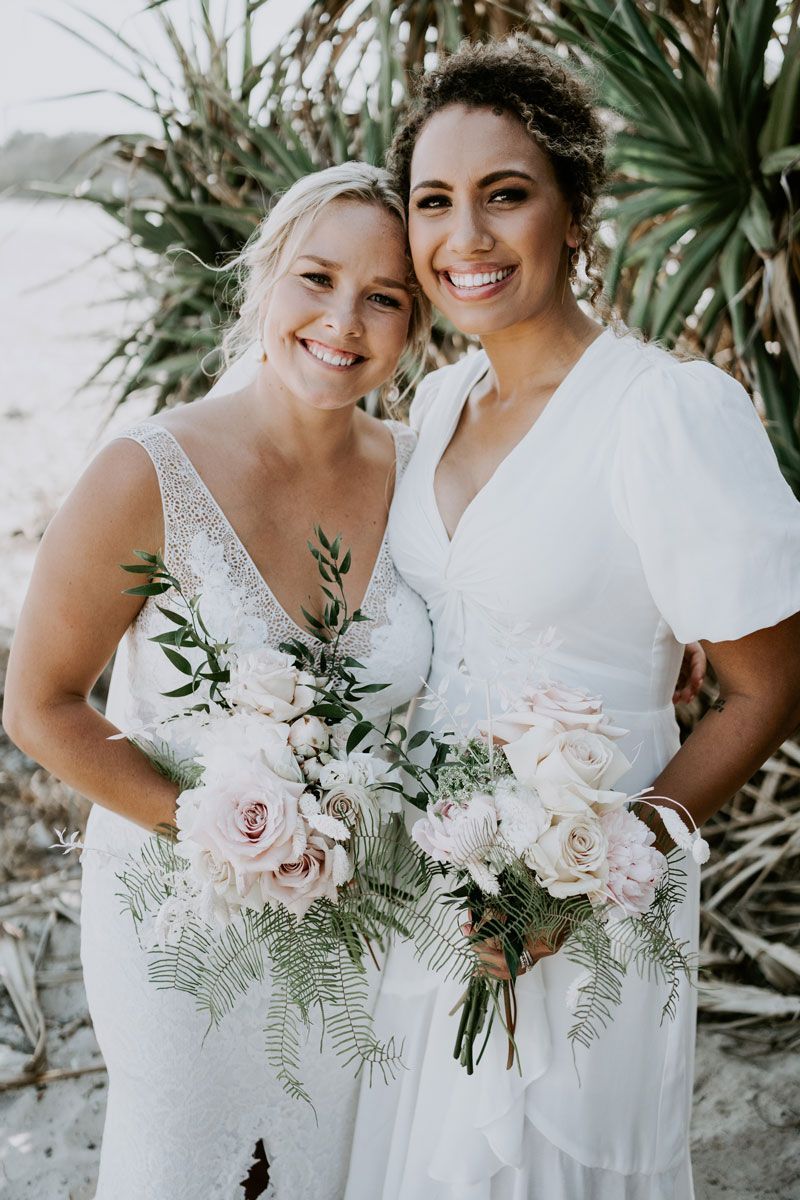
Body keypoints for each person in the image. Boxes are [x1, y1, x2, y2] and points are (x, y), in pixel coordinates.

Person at [345, 38, 800, 1200]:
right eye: (434, 203)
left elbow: (763, 683)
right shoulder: (438, 399)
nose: (467, 238)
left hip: (586, 893)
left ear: (574, 209)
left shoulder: (663, 412)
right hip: (432, 881)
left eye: (506, 195)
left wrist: (596, 868)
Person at [2, 162, 433, 1200]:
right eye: (317, 279)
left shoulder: (424, 477)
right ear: (263, 275)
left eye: (384, 297)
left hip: (363, 916)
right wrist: (229, 836)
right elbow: (40, 705)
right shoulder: (146, 472)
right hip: (179, 918)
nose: (343, 320)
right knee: (190, 1169)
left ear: (418, 324)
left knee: (330, 1167)